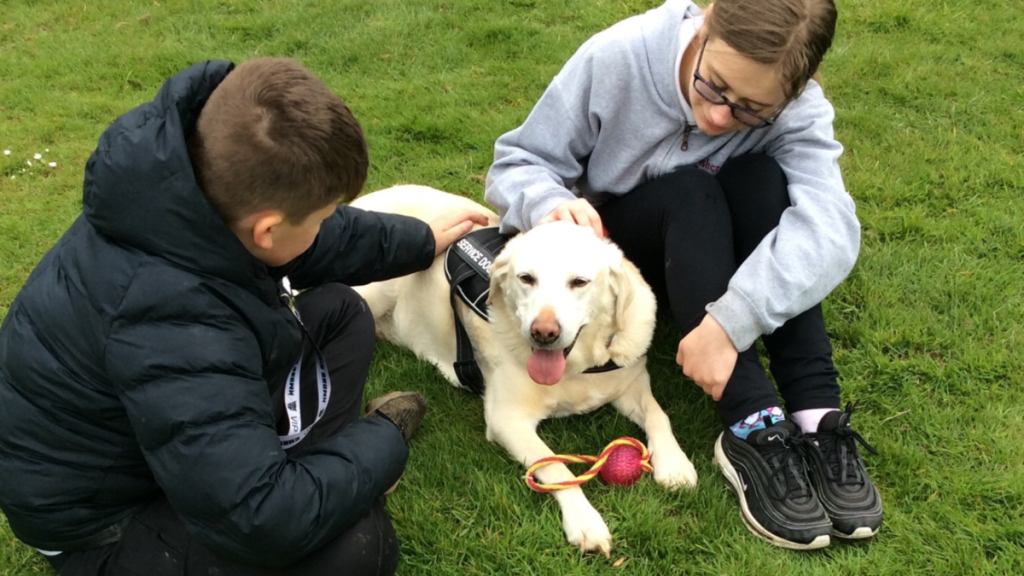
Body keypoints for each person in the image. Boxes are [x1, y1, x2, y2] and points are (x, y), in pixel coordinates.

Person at [0, 57, 487, 575]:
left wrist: (418, 240)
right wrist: (383, 439)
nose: (328, 223)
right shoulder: (172, 320)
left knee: (341, 312)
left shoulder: (183, 188)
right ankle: (325, 476)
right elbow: (260, 521)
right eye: (321, 216)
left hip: (160, 436)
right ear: (266, 230)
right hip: (104, 519)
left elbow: (316, 241)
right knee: (359, 548)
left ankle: (316, 473)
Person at [485, 0, 882, 550]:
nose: (719, 117)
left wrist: (731, 321)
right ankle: (752, 423)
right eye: (714, 85)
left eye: (750, 111)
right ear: (708, 19)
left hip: (711, 262)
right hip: (611, 268)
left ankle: (818, 413)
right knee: (690, 189)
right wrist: (549, 202)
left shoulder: (796, 109)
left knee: (764, 179)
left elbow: (832, 228)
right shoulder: (618, 56)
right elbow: (518, 160)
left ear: (793, 93)